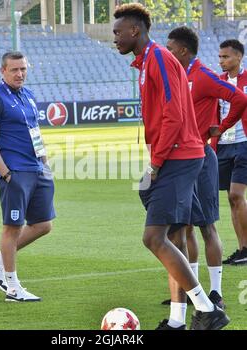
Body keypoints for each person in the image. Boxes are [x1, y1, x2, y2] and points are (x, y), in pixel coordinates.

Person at [113, 3, 229, 330]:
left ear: (135, 30)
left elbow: (173, 114)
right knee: (175, 238)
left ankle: (207, 309)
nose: (115, 38)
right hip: (178, 156)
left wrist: (156, 162)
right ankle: (178, 320)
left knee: (153, 238)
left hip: (178, 157)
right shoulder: (147, 62)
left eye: (117, 32)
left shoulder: (160, 59)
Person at [160, 27, 247, 325]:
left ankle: (215, 292)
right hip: (177, 161)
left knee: (206, 226)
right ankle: (189, 288)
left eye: (170, 48)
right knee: (181, 229)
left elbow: (238, 99)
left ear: (183, 51)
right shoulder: (174, 75)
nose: (166, 53)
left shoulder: (205, 75)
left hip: (199, 158)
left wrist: (221, 127)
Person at [0, 51, 55, 302]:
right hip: (15, 173)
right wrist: (6, 174)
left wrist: (45, 163)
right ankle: (12, 288)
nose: (20, 73)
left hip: (36, 169)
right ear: (3, 71)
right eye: (14, 70)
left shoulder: (29, 96)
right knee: (12, 228)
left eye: (23, 69)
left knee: (43, 224)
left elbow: (36, 133)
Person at [210, 39, 247, 266]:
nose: (222, 61)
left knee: (236, 195)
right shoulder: (217, 82)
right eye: (220, 57)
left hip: (244, 143)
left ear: (239, 57)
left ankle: (246, 247)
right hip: (223, 146)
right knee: (231, 199)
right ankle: (242, 248)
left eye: (226, 57)